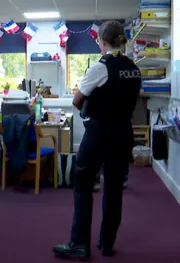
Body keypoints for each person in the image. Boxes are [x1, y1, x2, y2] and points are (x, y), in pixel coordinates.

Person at [53, 21, 141, 260]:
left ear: (102, 41)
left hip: (100, 132)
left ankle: (79, 244)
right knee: (114, 190)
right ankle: (106, 244)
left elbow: (77, 100)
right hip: (123, 133)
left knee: (82, 185)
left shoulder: (101, 67)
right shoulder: (134, 68)